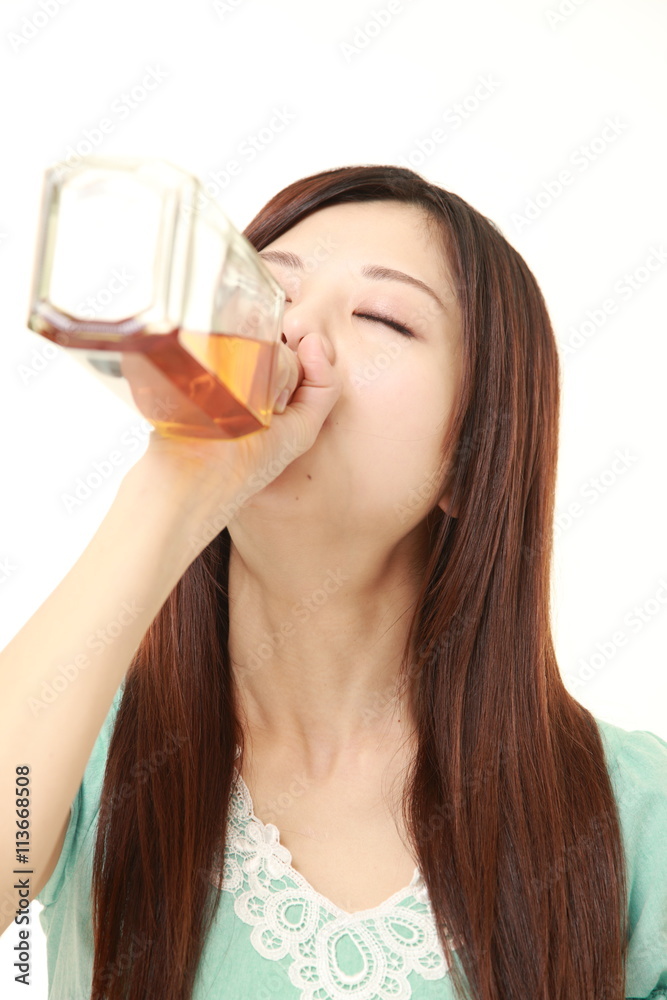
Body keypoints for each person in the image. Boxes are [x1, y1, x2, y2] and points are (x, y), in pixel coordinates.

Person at [1, 164, 665, 1000]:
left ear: (472, 457)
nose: (291, 338)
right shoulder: (87, 752)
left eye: (382, 316)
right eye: (266, 295)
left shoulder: (635, 820)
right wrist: (174, 483)